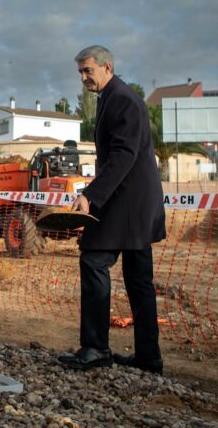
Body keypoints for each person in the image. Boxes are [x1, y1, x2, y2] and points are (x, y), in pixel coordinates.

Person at [57, 45, 166, 374]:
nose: (83, 78)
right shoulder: (112, 97)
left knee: (93, 261)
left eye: (88, 70)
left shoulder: (122, 99)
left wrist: (90, 195)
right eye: (80, 72)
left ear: (107, 67)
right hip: (134, 203)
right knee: (139, 281)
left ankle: (95, 349)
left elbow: (123, 155)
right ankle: (149, 359)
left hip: (126, 204)